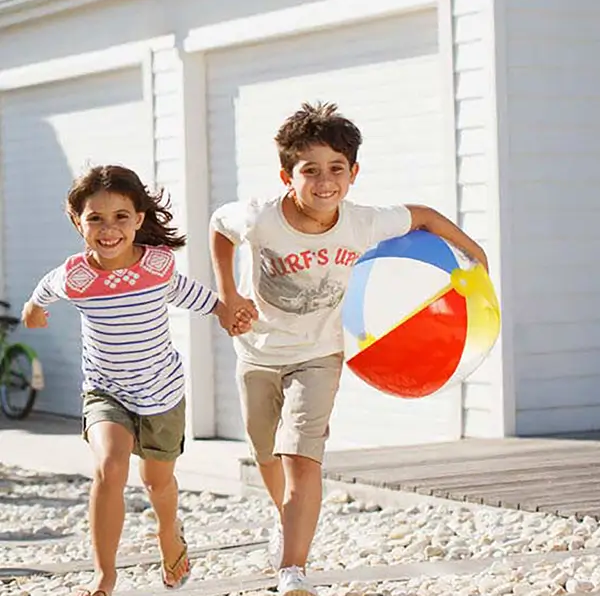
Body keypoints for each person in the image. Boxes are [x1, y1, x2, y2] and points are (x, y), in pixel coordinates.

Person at [209, 102, 488, 596]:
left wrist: (475, 252)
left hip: (320, 355)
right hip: (257, 353)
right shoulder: (258, 217)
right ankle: (284, 520)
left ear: (353, 173)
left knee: (300, 455)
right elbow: (218, 227)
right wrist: (229, 295)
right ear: (286, 175)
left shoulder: (363, 222)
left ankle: (292, 569)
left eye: (337, 169)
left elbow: (423, 215)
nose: (325, 181)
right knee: (264, 451)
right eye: (310, 170)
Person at [21, 165, 255, 596]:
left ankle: (170, 533)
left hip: (162, 391)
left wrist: (227, 311)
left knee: (157, 483)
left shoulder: (157, 267)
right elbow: (44, 291)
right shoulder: (77, 276)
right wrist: (34, 309)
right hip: (106, 391)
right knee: (110, 468)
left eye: (120, 217)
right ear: (78, 222)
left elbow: (193, 295)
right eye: (95, 219)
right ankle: (104, 577)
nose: (108, 229)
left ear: (139, 219)